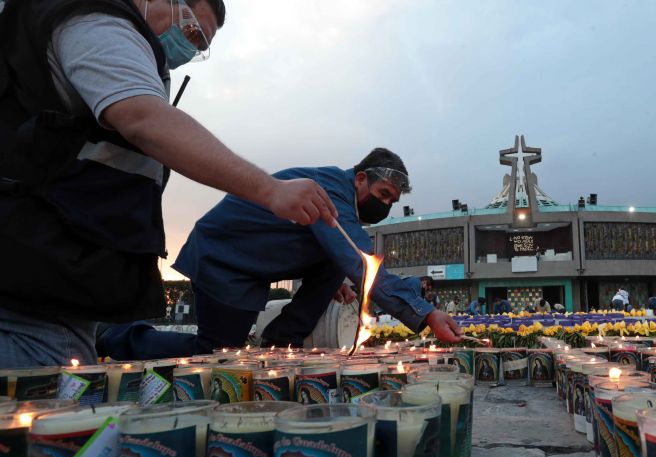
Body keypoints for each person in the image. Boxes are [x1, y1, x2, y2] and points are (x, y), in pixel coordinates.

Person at [0, 0, 340, 368]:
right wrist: (271, 190)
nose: (189, 46)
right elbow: (144, 118)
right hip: (32, 285)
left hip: (56, 278)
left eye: (199, 46)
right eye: (192, 31)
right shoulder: (98, 20)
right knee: (46, 408)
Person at [99, 149, 462, 358]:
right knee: (216, 350)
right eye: (382, 194)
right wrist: (426, 313)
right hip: (223, 257)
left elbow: (326, 250)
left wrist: (329, 279)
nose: (384, 206)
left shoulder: (343, 201)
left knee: (337, 263)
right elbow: (360, 261)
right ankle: (110, 338)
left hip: (249, 264)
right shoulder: (331, 193)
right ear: (360, 178)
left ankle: (280, 345)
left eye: (391, 202)